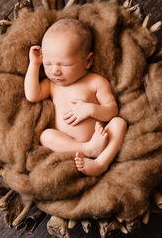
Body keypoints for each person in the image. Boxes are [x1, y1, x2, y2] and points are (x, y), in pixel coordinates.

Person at [24, 18, 127, 177]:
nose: (55, 71)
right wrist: (34, 65)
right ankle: (87, 149)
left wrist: (90, 109)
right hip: (68, 144)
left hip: (100, 137)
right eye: (48, 64)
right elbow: (32, 95)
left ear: (88, 61)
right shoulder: (52, 84)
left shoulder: (96, 82)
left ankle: (101, 163)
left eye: (65, 65)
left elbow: (112, 110)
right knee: (46, 136)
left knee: (119, 123)